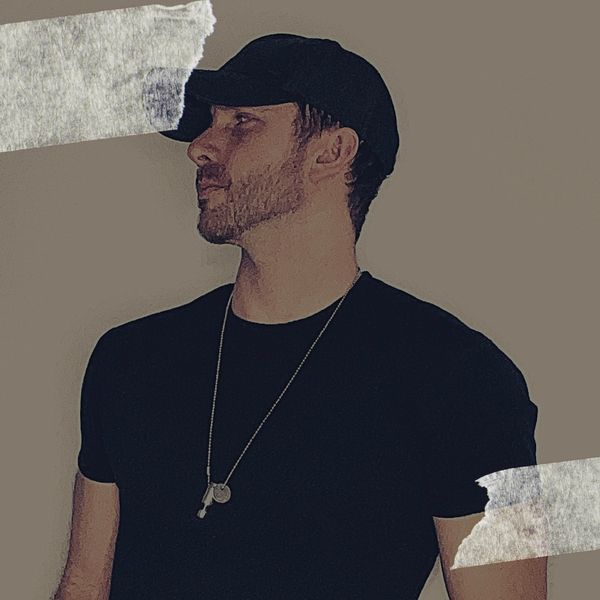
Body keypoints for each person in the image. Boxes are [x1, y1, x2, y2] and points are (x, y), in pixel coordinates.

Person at [54, 34, 547, 599]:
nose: (200, 147)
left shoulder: (463, 379)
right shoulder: (130, 359)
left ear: (331, 152)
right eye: (210, 122)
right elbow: (84, 582)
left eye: (241, 122)